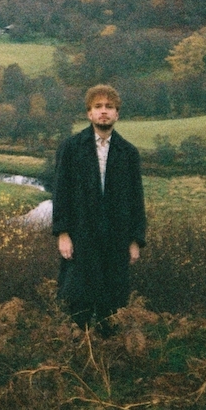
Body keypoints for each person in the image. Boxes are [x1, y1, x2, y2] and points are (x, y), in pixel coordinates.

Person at [52, 84, 147, 332]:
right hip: (81, 236)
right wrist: (63, 233)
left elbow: (136, 199)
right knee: (79, 304)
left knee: (112, 307)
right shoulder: (71, 148)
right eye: (98, 106)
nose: (103, 111)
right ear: (89, 113)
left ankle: (107, 352)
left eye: (109, 107)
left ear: (117, 114)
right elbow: (61, 193)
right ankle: (79, 350)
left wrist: (135, 240)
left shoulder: (128, 153)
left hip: (116, 239)